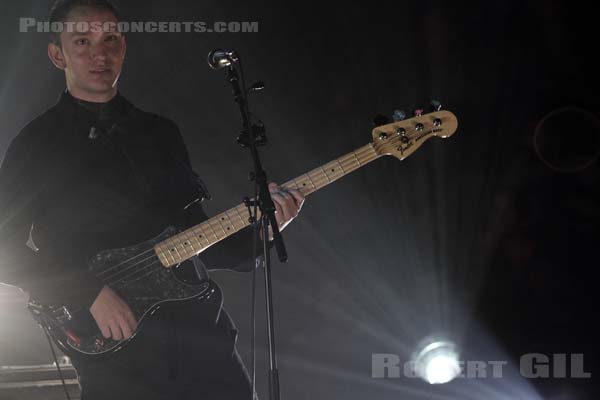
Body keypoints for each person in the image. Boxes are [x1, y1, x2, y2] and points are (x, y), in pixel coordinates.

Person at [0, 1, 304, 398]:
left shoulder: (160, 133)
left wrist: (265, 228)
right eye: (82, 41)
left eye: (110, 39)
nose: (100, 53)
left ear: (123, 46)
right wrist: (87, 292)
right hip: (116, 347)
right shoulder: (35, 144)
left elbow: (197, 240)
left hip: (201, 336)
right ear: (57, 54)